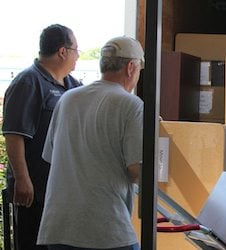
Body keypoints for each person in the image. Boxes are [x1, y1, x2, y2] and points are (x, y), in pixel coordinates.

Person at [37, 36, 144, 250]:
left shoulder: (67, 99)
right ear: (131, 67)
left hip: (59, 228)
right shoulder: (131, 105)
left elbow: (50, 156)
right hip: (105, 231)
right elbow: (136, 170)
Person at [2, 24, 82, 250]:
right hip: (34, 191)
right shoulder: (28, 82)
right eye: (76, 49)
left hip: (59, 190)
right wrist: (22, 179)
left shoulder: (72, 86)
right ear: (62, 51)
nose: (78, 56)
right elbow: (14, 135)